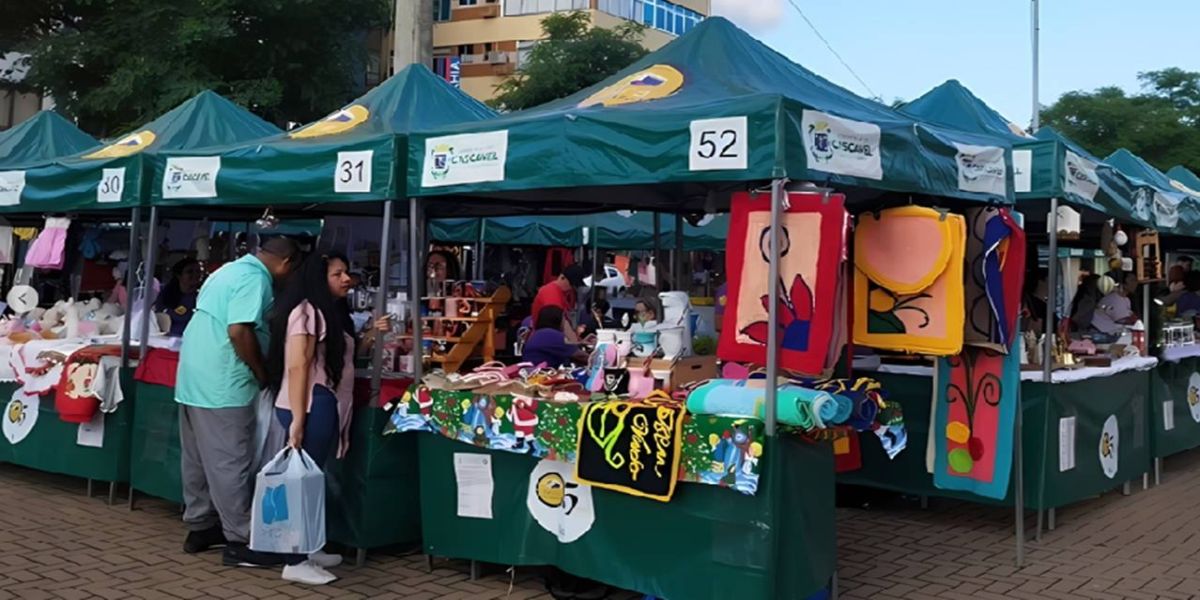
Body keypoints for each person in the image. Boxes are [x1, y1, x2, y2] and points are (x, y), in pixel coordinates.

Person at [174, 237, 299, 569]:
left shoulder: (227, 270)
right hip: (223, 382)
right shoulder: (255, 279)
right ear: (286, 263)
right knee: (229, 462)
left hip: (193, 377)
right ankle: (242, 538)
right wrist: (261, 371)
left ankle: (201, 526)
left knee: (197, 460)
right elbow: (239, 331)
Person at [264, 253, 388, 584]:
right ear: (319, 278)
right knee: (303, 481)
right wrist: (299, 419)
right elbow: (298, 366)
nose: (347, 279)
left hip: (317, 402)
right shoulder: (306, 313)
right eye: (338, 273)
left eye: (347, 272)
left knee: (312, 478)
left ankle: (309, 546)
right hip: (308, 404)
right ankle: (295, 560)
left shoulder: (324, 313)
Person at [531, 264, 587, 341]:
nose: (572, 288)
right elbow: (558, 321)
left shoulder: (561, 294)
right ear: (562, 277)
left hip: (551, 337)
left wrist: (578, 337)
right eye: (571, 284)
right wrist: (575, 341)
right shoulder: (551, 292)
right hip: (547, 339)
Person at [522, 306, 588, 367]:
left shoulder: (539, 333)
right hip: (541, 372)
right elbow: (581, 356)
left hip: (532, 371)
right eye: (564, 319)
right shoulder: (551, 334)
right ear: (557, 319)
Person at [157, 258, 203, 336]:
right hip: (167, 339)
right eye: (190, 272)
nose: (195, 274)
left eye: (198, 271)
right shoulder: (166, 295)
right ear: (179, 275)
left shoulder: (202, 296)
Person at [1090, 273, 1139, 337]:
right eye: (1132, 280)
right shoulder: (1113, 298)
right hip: (1100, 333)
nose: (1135, 283)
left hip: (1111, 333)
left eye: (1135, 280)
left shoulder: (1126, 300)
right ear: (1122, 283)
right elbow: (1123, 320)